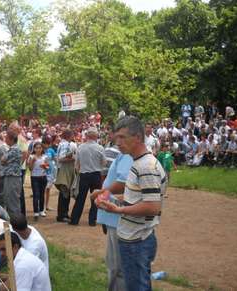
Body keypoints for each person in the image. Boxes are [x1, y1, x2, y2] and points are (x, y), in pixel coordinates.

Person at [96, 116, 167, 291]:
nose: (117, 142)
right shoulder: (139, 163)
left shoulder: (145, 166)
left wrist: (118, 209)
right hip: (136, 237)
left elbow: (152, 207)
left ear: (137, 137)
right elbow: (142, 198)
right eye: (116, 137)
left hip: (137, 240)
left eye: (122, 137)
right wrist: (114, 199)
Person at [92, 140, 133, 291]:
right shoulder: (124, 154)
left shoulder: (128, 156)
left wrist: (100, 193)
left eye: (122, 137)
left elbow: (122, 184)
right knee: (115, 265)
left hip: (118, 218)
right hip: (114, 217)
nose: (117, 141)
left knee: (117, 267)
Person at [69, 127, 105, 226]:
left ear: (87, 136)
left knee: (80, 198)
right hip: (96, 174)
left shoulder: (81, 147)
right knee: (95, 198)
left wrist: (79, 172)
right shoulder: (100, 148)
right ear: (96, 136)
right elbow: (104, 163)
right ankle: (92, 220)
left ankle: (74, 220)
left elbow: (77, 164)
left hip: (84, 174)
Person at [55, 129, 76, 223]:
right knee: (65, 193)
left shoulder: (62, 144)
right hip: (64, 170)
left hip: (63, 170)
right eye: (72, 135)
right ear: (69, 136)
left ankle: (63, 214)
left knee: (64, 193)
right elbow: (61, 159)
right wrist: (72, 158)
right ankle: (62, 215)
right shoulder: (66, 144)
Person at [1, 130, 22, 217]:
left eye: (6, 138)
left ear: (12, 139)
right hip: (10, 177)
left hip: (13, 177)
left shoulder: (15, 150)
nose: (5, 140)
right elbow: (3, 161)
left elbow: (3, 160)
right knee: (9, 200)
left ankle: (16, 223)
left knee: (12, 202)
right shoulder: (12, 149)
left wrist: (4, 160)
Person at [28, 142, 48, 219]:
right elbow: (30, 168)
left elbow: (47, 167)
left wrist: (44, 166)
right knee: (36, 194)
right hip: (34, 177)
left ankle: (41, 210)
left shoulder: (45, 157)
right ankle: (36, 211)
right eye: (37, 148)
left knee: (42, 194)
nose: (38, 149)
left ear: (42, 149)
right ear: (34, 149)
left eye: (40, 148)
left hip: (43, 177)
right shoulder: (31, 156)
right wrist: (33, 161)